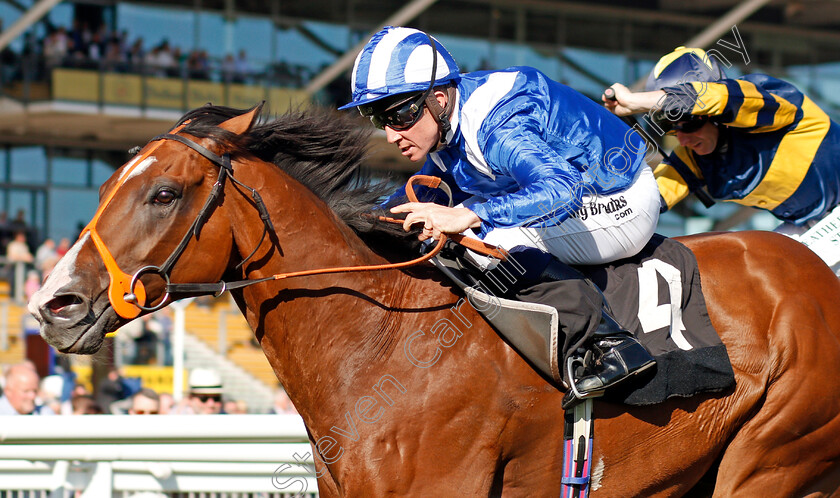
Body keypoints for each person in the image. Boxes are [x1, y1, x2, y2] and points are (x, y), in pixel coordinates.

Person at [339, 26, 659, 402]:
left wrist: (470, 214)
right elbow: (415, 199)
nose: (392, 135)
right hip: (582, 195)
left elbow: (562, 190)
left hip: (620, 196)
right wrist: (356, 223)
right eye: (378, 120)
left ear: (439, 99)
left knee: (483, 239)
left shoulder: (497, 124)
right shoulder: (448, 126)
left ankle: (612, 344)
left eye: (400, 115)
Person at [603, 46, 840, 236]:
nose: (682, 140)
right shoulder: (694, 156)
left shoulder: (768, 100)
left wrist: (636, 101)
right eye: (671, 127)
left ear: (715, 117)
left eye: (688, 123)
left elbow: (718, 98)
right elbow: (647, 199)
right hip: (810, 225)